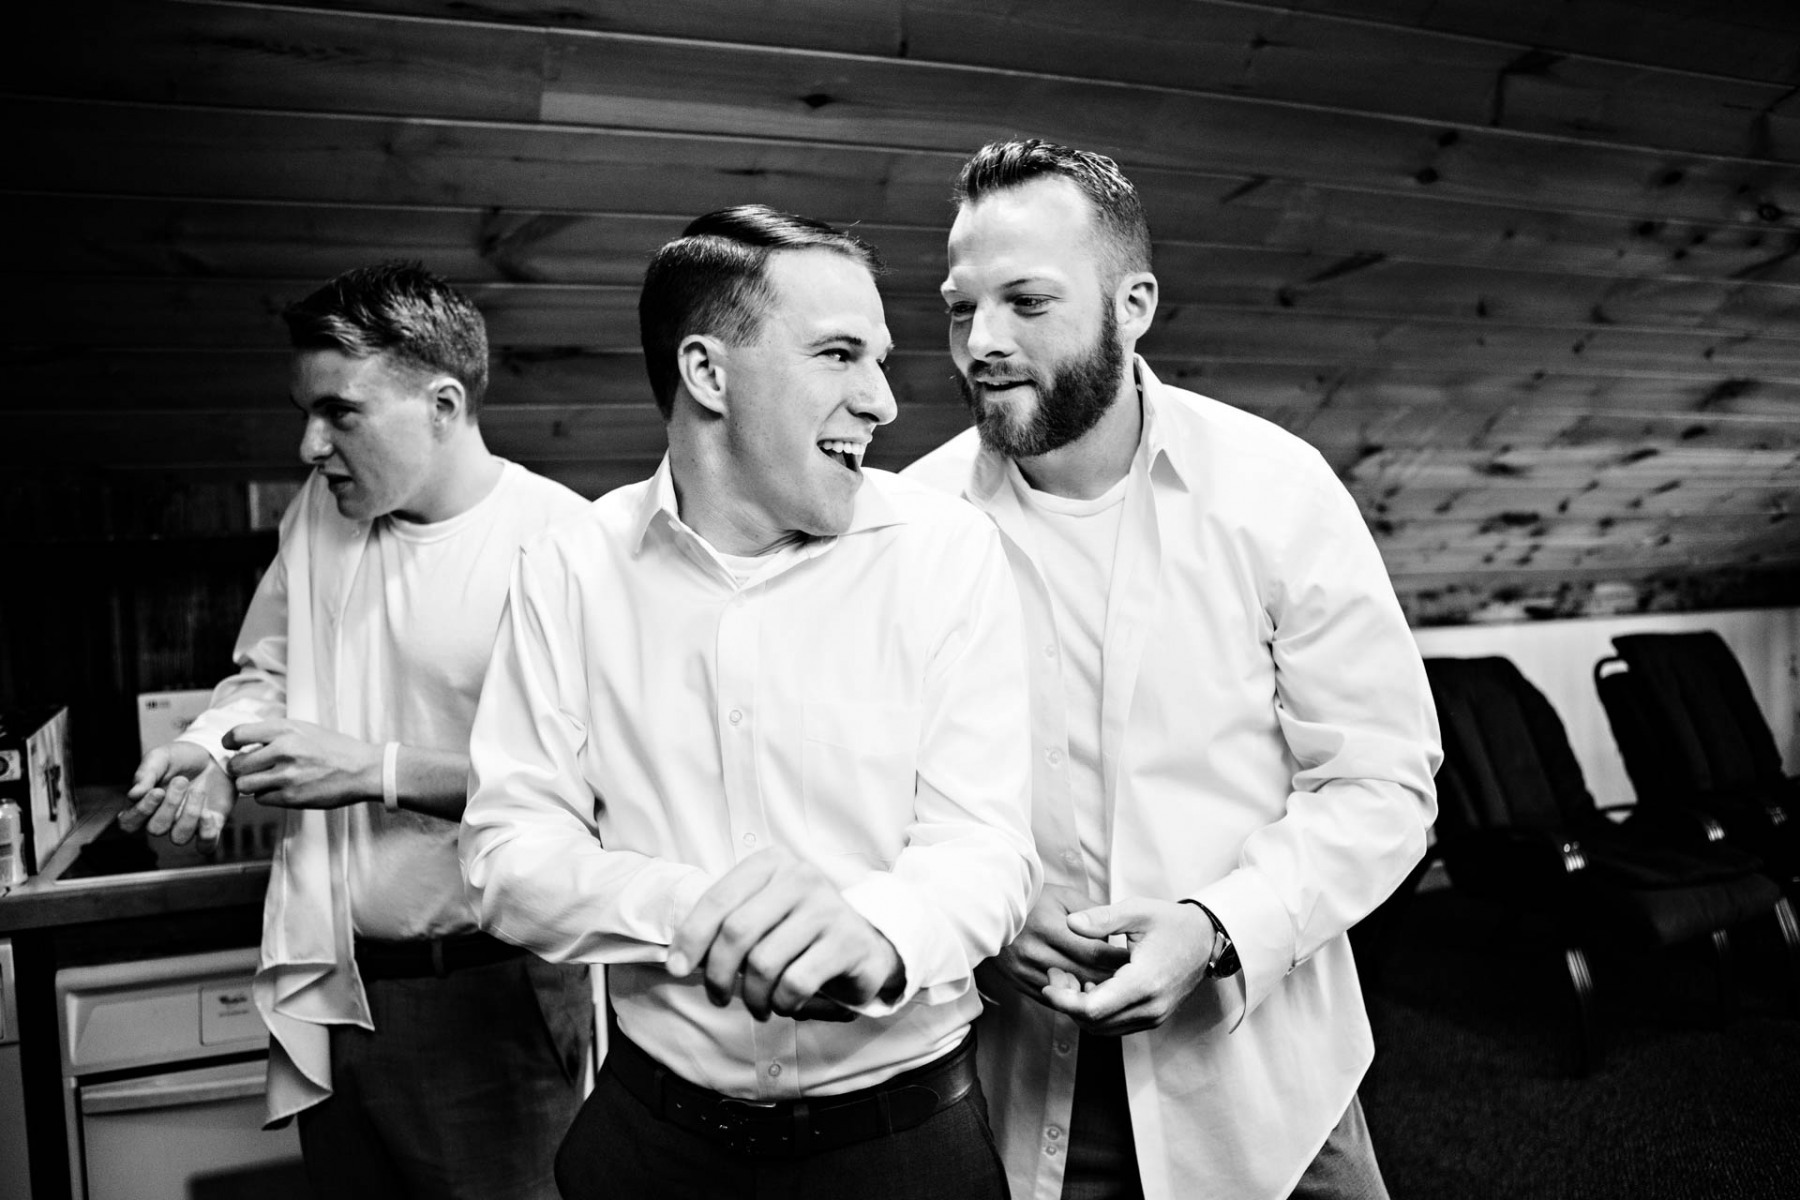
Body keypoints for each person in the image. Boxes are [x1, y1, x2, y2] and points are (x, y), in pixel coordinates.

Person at [459, 205, 1040, 1200]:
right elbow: (509, 856)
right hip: (651, 1143)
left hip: (904, 1148)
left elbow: (989, 848)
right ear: (707, 373)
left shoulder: (948, 552)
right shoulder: (570, 570)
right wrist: (693, 915)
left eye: (883, 360)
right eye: (841, 355)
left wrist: (878, 934)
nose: (885, 402)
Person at [904, 140, 1442, 1200]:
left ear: (1134, 302)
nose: (982, 344)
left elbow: (1384, 786)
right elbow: (873, 792)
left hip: (1268, 1086)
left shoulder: (1278, 491)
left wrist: (1214, 930)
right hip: (1020, 1095)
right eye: (960, 309)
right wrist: (975, 923)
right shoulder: (908, 526)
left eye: (1026, 301)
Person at [120, 262, 594, 1200]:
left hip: (486, 996)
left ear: (444, 404)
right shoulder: (319, 518)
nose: (308, 444)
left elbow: (594, 791)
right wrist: (213, 751)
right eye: (305, 410)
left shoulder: (564, 545)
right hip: (330, 978)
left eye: (341, 413)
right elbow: (268, 675)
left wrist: (374, 770)